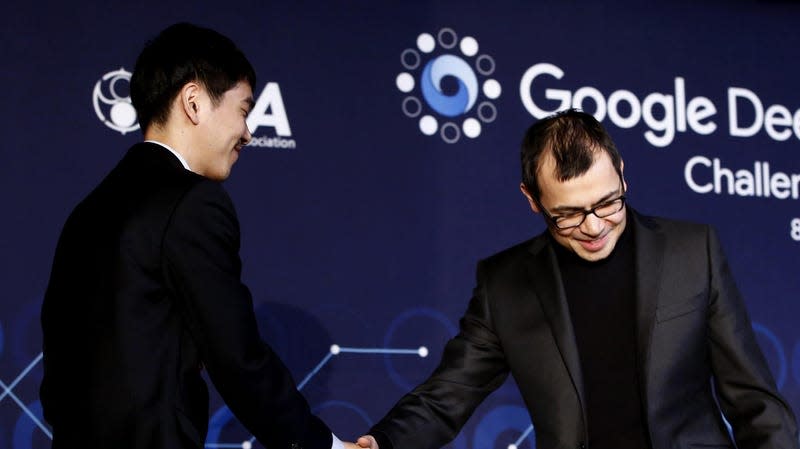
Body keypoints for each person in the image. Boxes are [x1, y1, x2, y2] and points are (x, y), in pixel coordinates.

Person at [357, 109, 799, 449]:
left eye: (608, 202)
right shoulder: (505, 284)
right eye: (568, 215)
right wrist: (385, 442)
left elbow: (753, 398)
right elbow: (448, 394)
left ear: (622, 173)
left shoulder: (692, 251)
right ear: (532, 199)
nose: (593, 226)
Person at [41, 23, 355, 449]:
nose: (247, 132)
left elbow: (59, 374)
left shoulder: (87, 213)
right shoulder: (192, 204)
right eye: (243, 110)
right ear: (193, 102)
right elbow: (237, 359)